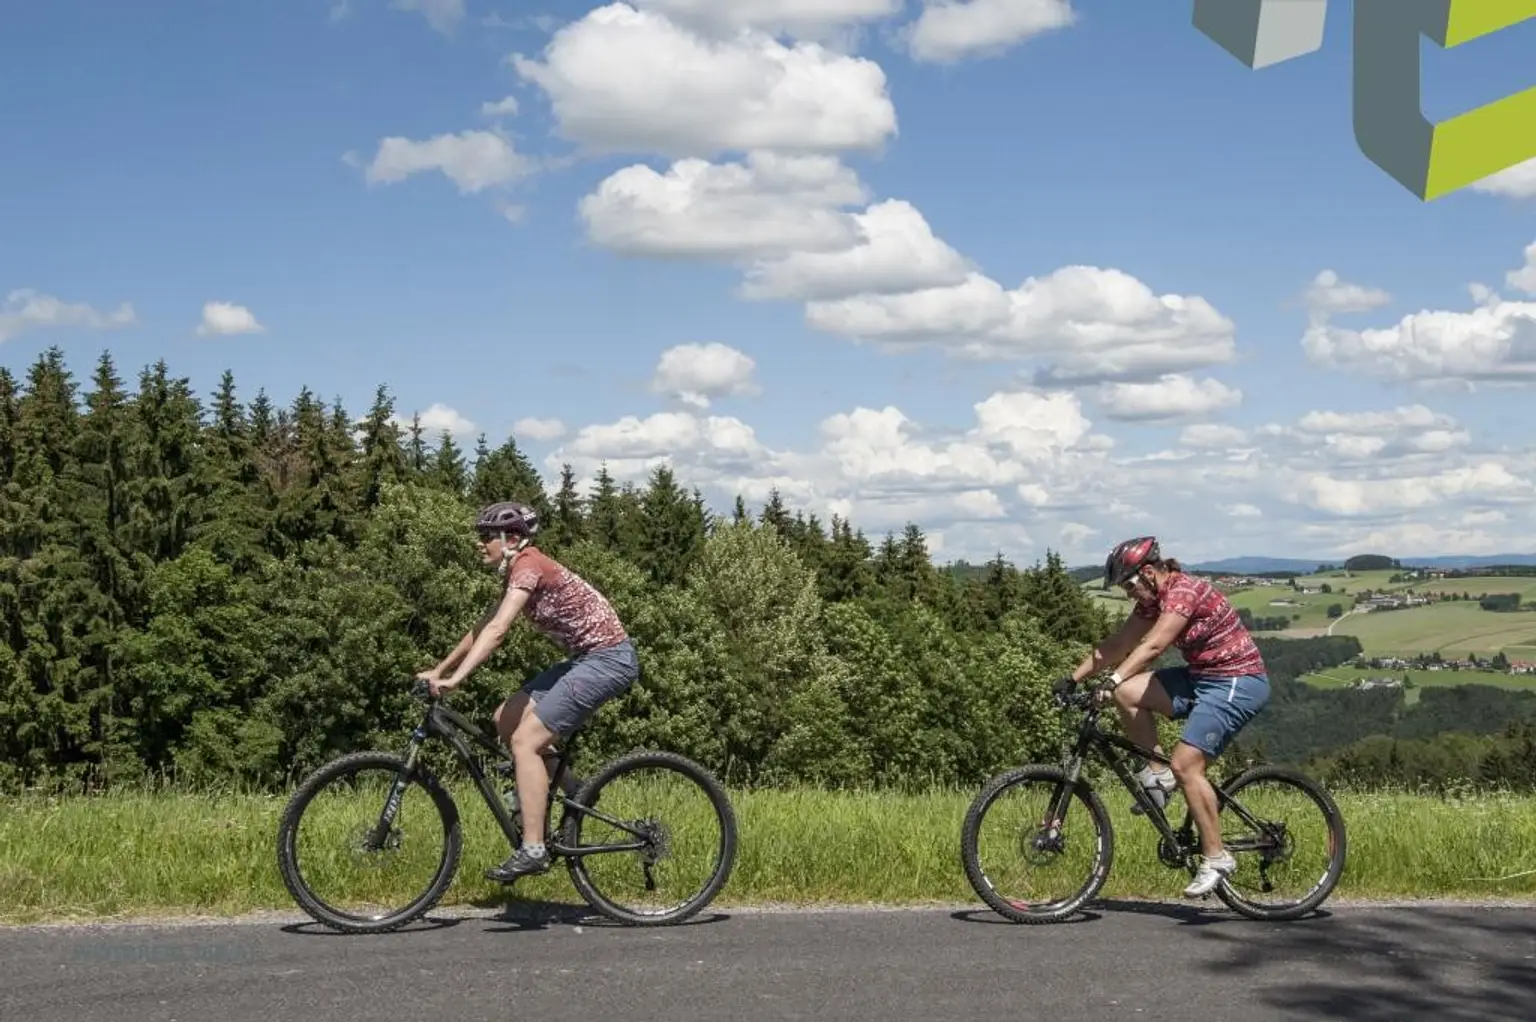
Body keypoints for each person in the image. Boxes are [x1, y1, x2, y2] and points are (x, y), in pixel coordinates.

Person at [416, 500, 640, 882]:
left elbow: (498, 631)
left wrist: (456, 681)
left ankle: (533, 849)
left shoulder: (528, 564)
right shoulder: (516, 570)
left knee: (525, 742)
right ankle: (576, 790)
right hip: (587, 658)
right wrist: (440, 668)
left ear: (513, 538)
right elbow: (482, 625)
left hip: (608, 661)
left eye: (486, 537)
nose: (479, 543)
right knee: (505, 718)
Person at [1056, 536, 1270, 898]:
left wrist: (1112, 678)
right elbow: (1118, 645)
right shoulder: (1150, 602)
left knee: (1186, 765)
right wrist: (1071, 678)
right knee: (1127, 694)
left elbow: (1153, 646)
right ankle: (1158, 778)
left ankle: (1217, 857)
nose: (1128, 594)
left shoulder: (1184, 592)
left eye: (1129, 585)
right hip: (1201, 677)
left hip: (1238, 681)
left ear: (1150, 573)